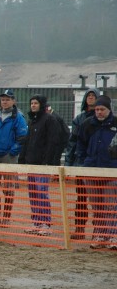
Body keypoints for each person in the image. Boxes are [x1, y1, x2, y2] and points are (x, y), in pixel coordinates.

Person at [76, 95, 117, 250]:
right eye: (97, 109)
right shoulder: (87, 124)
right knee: (96, 205)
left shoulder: (115, 124)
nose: (99, 112)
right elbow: (80, 145)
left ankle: (113, 235)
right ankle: (100, 234)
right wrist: (83, 162)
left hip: (111, 171)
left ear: (109, 109)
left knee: (111, 205)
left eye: (102, 109)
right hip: (91, 170)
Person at [19, 95, 63, 236]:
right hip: (31, 164)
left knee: (42, 193)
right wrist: (23, 158)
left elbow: (53, 142)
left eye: (36, 103)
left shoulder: (50, 120)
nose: (33, 105)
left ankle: (46, 223)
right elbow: (27, 141)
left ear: (42, 104)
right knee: (33, 194)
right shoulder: (32, 121)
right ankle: (36, 222)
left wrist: (47, 161)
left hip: (42, 165)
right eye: (31, 103)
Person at [0, 89, 28, 227]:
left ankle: (6, 218)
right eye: (3, 99)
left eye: (8, 99)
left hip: (9, 156)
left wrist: (13, 152)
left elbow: (22, 137)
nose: (5, 101)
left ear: (13, 101)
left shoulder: (18, 117)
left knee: (8, 188)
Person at [65, 88, 100, 239]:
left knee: (98, 200)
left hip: (98, 165)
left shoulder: (103, 119)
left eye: (93, 96)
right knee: (81, 198)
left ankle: (98, 230)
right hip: (80, 163)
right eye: (88, 96)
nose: (90, 98)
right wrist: (68, 164)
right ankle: (79, 229)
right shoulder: (79, 119)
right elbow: (72, 143)